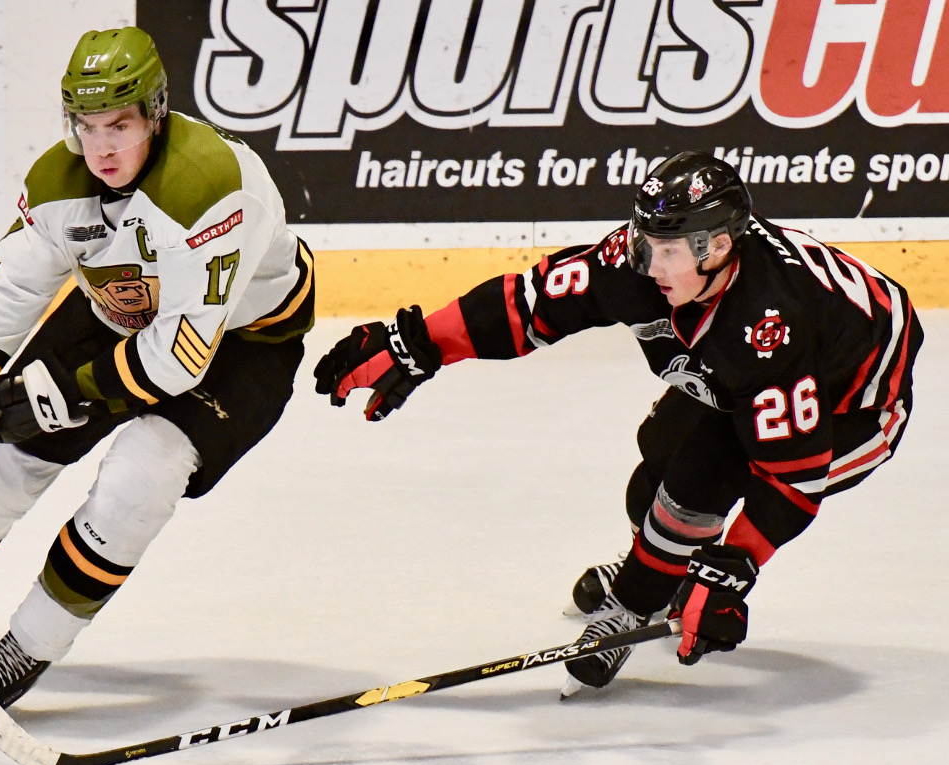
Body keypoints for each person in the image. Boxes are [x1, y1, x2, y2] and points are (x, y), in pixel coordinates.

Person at [0, 27, 315, 727]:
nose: (103, 148)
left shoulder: (210, 187)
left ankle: (26, 648)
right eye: (86, 127)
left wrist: (72, 392)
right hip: (118, 316)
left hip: (243, 346)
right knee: (5, 455)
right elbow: (6, 296)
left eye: (119, 124)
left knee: (138, 481)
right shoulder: (59, 180)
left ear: (154, 112)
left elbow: (181, 357)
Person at [314, 151, 922, 696]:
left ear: (716, 248)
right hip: (753, 379)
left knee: (700, 474)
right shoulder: (644, 265)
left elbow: (791, 478)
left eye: (669, 251)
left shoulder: (764, 326)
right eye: (646, 243)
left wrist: (733, 566)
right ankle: (660, 566)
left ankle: (633, 604)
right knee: (656, 461)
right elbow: (530, 303)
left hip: (857, 409)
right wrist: (420, 344)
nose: (649, 265)